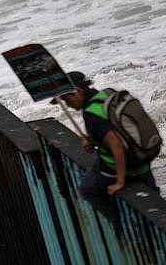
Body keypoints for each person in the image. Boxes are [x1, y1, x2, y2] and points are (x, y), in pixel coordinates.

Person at [57, 71, 159, 232]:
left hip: (117, 168)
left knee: (88, 190)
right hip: (141, 160)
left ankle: (118, 224)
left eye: (66, 99)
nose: (67, 104)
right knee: (154, 203)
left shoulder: (91, 113)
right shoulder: (107, 95)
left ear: (78, 91)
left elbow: (116, 144)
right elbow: (116, 129)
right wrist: (92, 140)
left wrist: (120, 181)